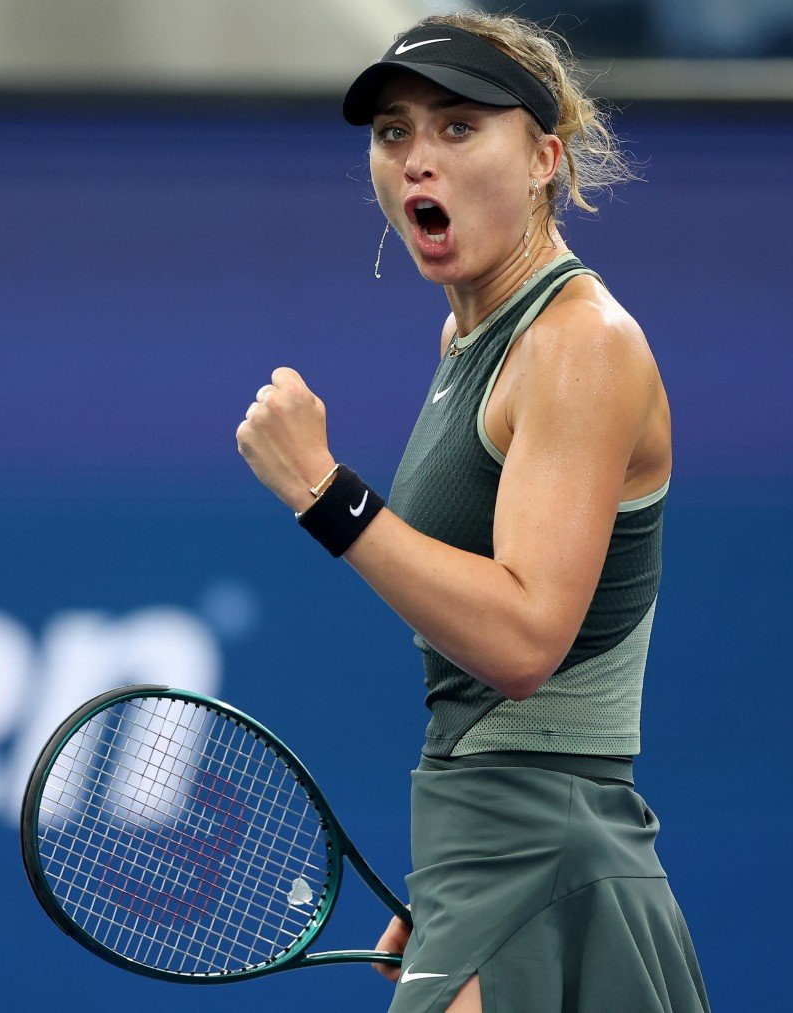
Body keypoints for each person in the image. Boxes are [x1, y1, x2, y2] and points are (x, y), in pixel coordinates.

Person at [233, 12, 709, 1012]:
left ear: (544, 157)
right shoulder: (475, 343)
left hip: (546, 850)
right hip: (494, 840)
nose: (416, 160)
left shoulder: (578, 344)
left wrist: (327, 494)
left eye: (457, 128)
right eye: (394, 131)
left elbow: (526, 638)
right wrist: (458, 862)